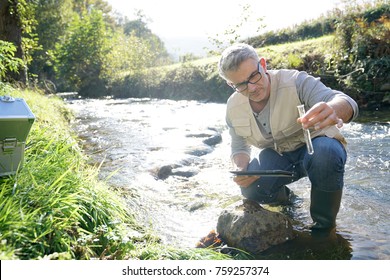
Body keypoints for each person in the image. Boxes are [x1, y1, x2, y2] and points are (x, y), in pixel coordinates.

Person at [218, 43, 359, 232]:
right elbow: (239, 146)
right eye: (241, 84)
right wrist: (240, 168)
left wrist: (333, 109)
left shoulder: (296, 81)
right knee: (250, 189)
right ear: (230, 84)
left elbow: (346, 102)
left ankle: (324, 228)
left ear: (263, 64)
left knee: (326, 153)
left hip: (316, 148)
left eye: (253, 76)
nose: (251, 88)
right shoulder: (232, 107)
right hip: (279, 156)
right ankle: (289, 202)